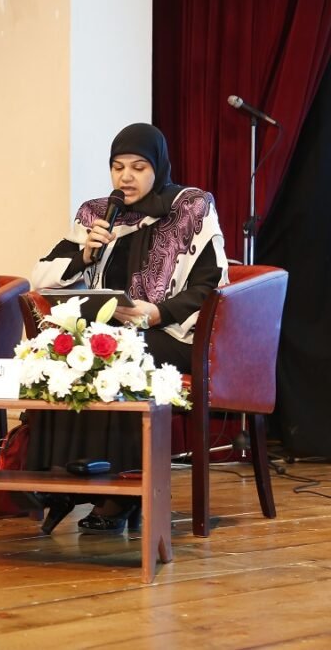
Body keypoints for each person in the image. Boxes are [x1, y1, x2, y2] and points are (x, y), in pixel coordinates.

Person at [27, 122, 228, 535]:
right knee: (61, 351)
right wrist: (85, 254)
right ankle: (60, 479)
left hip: (174, 335)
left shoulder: (192, 208)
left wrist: (157, 313)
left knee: (119, 354)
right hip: (117, 332)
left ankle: (122, 493)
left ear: (158, 167)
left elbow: (210, 286)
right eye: (118, 167)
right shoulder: (97, 214)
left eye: (138, 167)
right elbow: (40, 276)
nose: (126, 177)